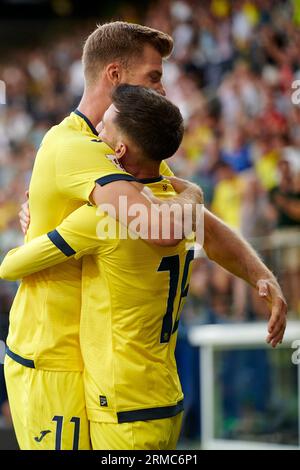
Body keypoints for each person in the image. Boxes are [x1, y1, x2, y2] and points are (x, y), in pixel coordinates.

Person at [9, 21, 287, 449]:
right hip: (51, 358)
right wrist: (193, 193)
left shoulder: (128, 150)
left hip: (101, 370)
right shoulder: (73, 147)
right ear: (115, 75)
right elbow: (161, 226)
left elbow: (201, 227)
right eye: (154, 76)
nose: (162, 90)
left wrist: (260, 276)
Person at [1, 84, 198, 450]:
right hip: (166, 395)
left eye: (104, 129)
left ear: (118, 151)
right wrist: (195, 194)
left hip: (122, 405)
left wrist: (40, 223)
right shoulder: (183, 207)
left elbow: (10, 267)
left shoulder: (98, 221)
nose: (97, 134)